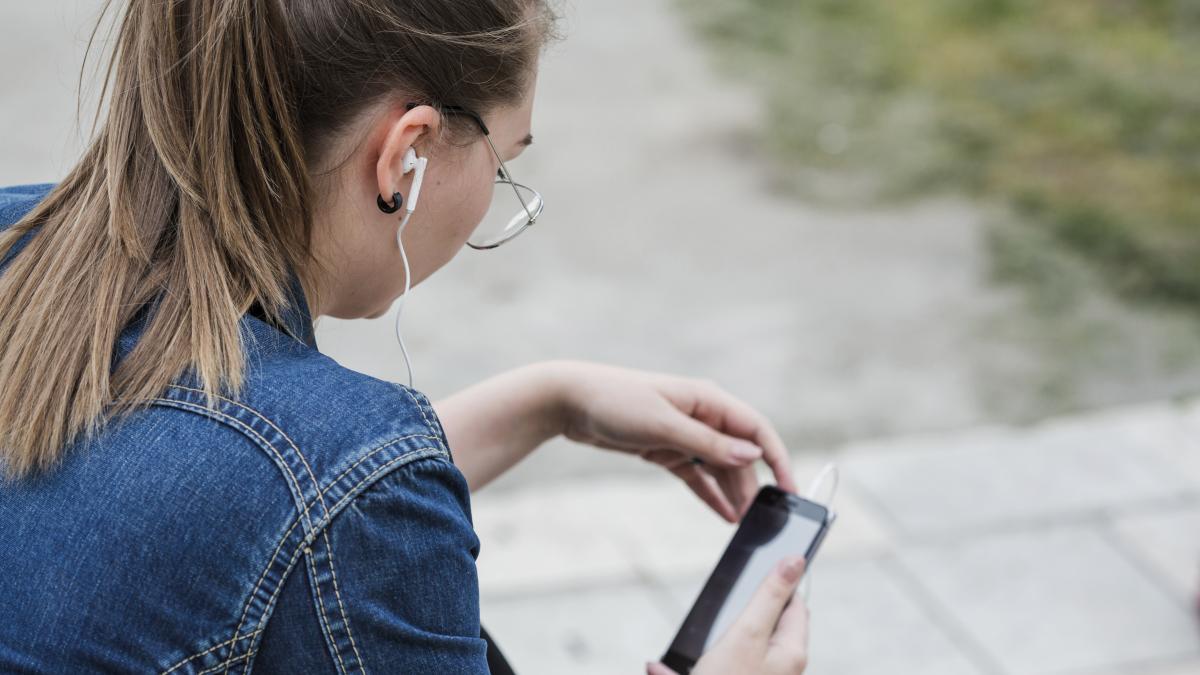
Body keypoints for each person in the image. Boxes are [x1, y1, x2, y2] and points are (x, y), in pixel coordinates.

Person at [0, 1, 811, 673]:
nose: (497, 195)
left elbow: (229, 508)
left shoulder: (18, 239)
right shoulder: (361, 483)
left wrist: (548, 402)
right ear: (406, 156)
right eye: (504, 160)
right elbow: (319, 503)